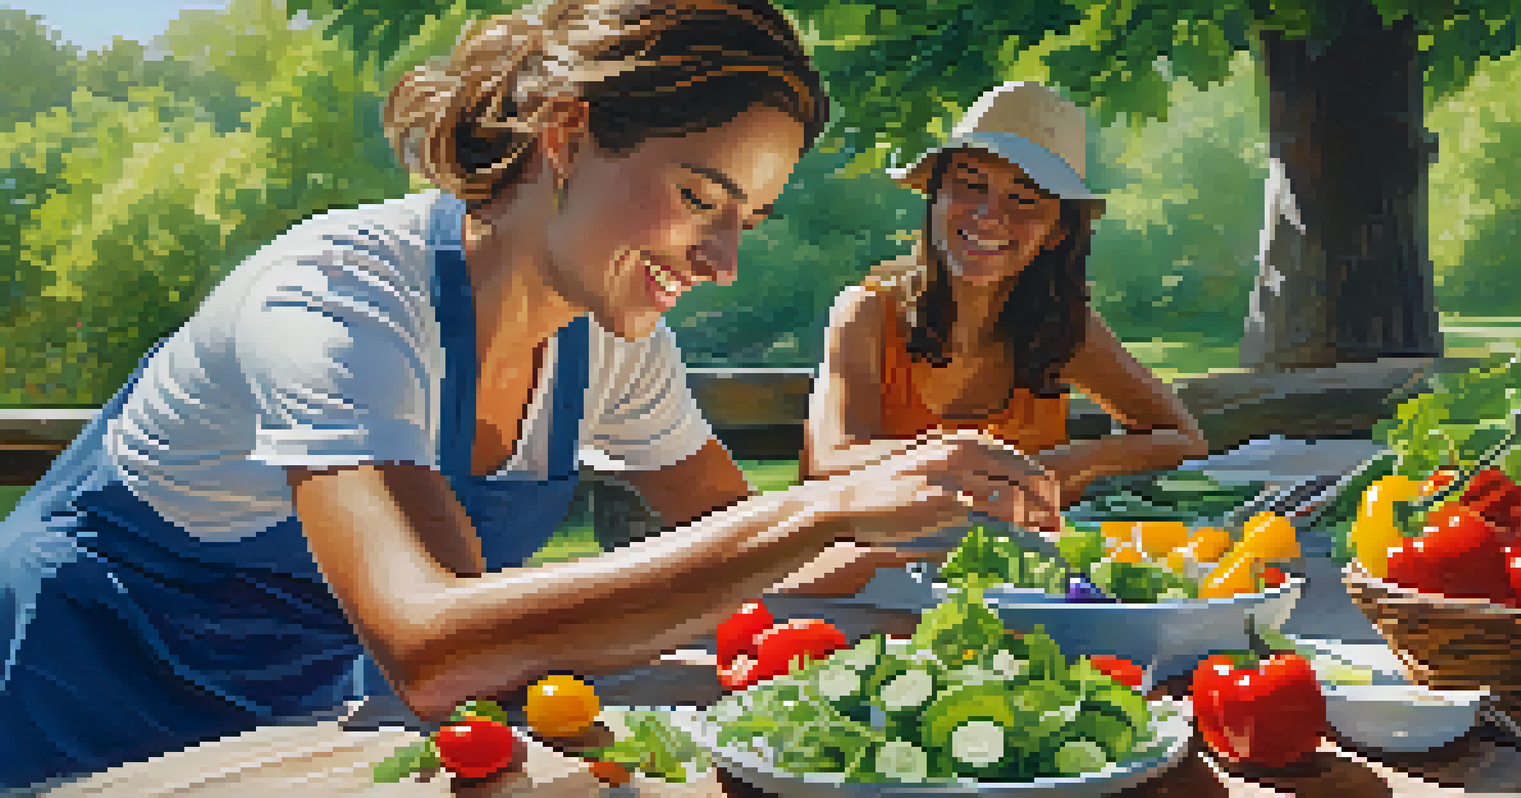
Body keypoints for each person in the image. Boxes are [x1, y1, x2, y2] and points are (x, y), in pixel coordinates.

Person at [0, 2, 1051, 789]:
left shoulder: (611, 338)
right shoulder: (339, 297)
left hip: (300, 718)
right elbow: (431, 644)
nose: (723, 261)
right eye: (700, 197)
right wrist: (819, 507)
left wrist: (983, 577)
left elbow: (757, 554)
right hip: (80, 705)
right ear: (566, 135)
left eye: (748, 221)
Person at [796, 82, 1210, 594]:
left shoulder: (1065, 328)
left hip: (1021, 587)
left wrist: (1061, 465)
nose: (989, 215)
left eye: (1024, 200)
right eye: (970, 185)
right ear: (935, 196)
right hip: (869, 584)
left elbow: (1184, 439)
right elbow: (830, 461)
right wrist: (960, 458)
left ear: (1057, 230)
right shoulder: (867, 310)